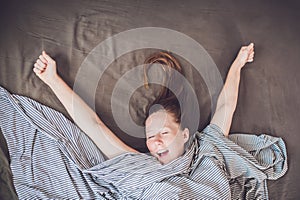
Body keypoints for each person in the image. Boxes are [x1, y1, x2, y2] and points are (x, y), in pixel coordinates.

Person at [0, 43, 287, 199]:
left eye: (164, 131)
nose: (156, 141)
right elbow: (94, 126)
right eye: (150, 136)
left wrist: (237, 65)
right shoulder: (138, 168)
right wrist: (52, 80)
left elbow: (226, 106)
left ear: (186, 134)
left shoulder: (209, 154)